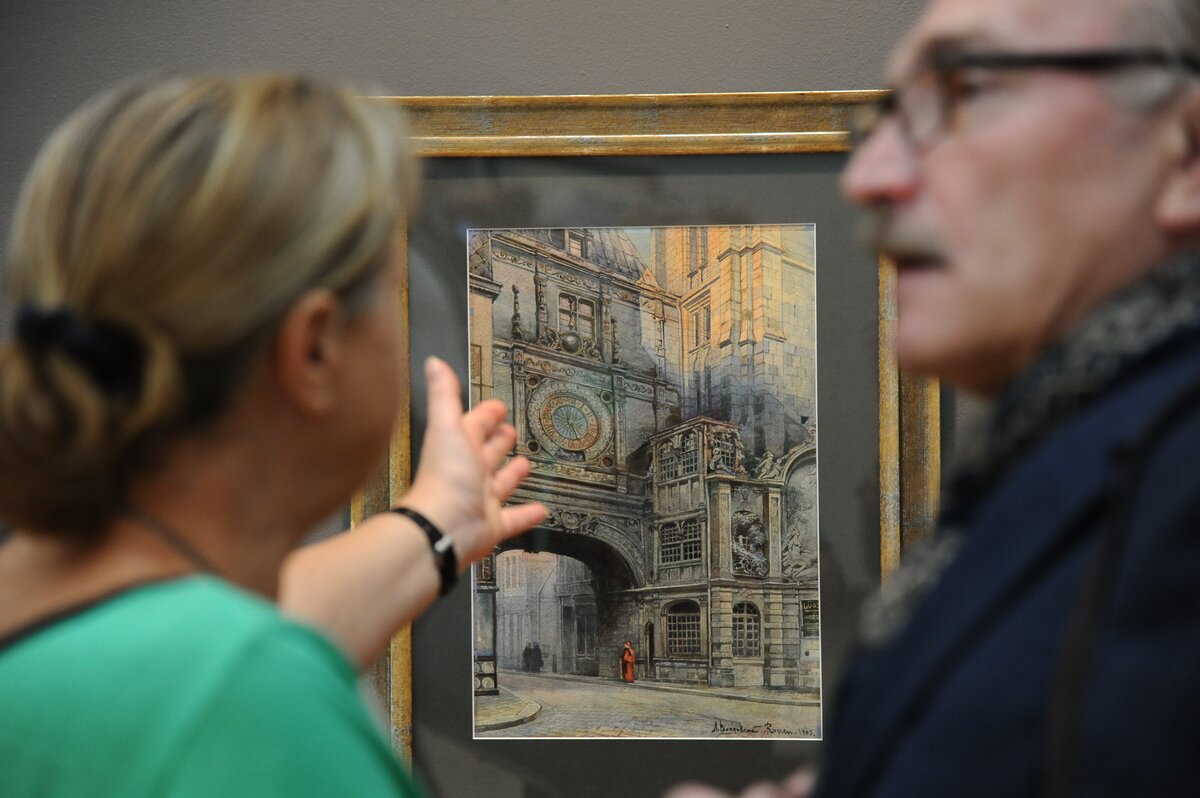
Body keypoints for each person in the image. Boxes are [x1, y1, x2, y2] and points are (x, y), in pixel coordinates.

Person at [669, 0, 1200, 796]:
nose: (868, 178)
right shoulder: (1071, 457)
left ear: (1187, 152)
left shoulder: (1176, 476)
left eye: (967, 89)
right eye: (885, 120)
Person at [0, 72, 545, 796]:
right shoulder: (253, 703)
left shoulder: (48, 606)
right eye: (390, 291)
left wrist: (439, 521)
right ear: (314, 347)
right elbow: (234, 674)